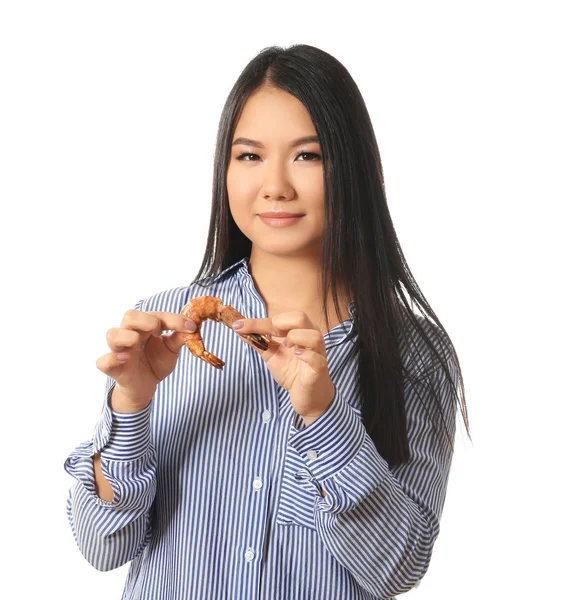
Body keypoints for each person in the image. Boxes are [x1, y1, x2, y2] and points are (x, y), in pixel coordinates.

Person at [64, 44, 471, 600]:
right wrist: (131, 404)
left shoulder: (415, 354)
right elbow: (102, 544)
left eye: (308, 155)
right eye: (250, 156)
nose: (275, 185)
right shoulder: (164, 334)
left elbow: (398, 568)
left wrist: (324, 416)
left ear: (351, 167)